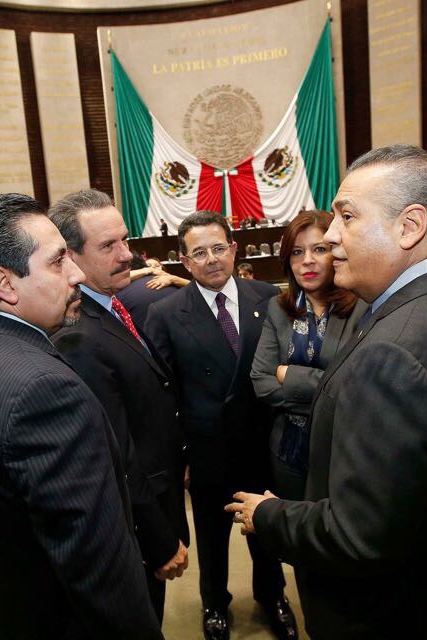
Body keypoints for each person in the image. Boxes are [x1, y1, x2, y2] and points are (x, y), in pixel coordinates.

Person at [225, 145, 427, 640]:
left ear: (410, 226)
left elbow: (358, 536)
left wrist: (270, 515)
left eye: (347, 216)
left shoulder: (393, 353)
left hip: (387, 616)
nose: (330, 236)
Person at [0, 193, 161, 640]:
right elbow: (98, 567)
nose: (76, 274)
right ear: (4, 283)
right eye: (58, 261)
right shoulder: (44, 390)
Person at [145, 211, 297, 640]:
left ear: (233, 249)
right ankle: (214, 603)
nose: (211, 259)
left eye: (218, 248)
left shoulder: (267, 297)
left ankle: (273, 595)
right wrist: (180, 456)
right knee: (211, 536)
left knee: (265, 527)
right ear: (184, 260)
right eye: (199, 253)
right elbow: (163, 395)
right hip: (207, 450)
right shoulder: (165, 313)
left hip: (263, 443)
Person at [49, 189, 189, 624]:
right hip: (135, 527)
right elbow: (116, 452)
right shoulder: (78, 336)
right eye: (108, 246)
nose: (127, 254)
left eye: (124, 240)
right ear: (71, 257)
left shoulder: (110, 307)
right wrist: (157, 541)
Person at [251, 211, 366, 500]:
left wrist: (289, 375)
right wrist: (326, 388)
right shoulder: (278, 307)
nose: (307, 261)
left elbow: (356, 387)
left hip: (343, 450)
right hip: (287, 451)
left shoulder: (363, 307)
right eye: (297, 252)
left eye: (319, 249)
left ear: (337, 252)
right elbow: (261, 381)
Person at [118, 250, 186, 328]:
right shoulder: (174, 284)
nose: (154, 267)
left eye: (157, 266)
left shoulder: (120, 295)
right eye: (150, 265)